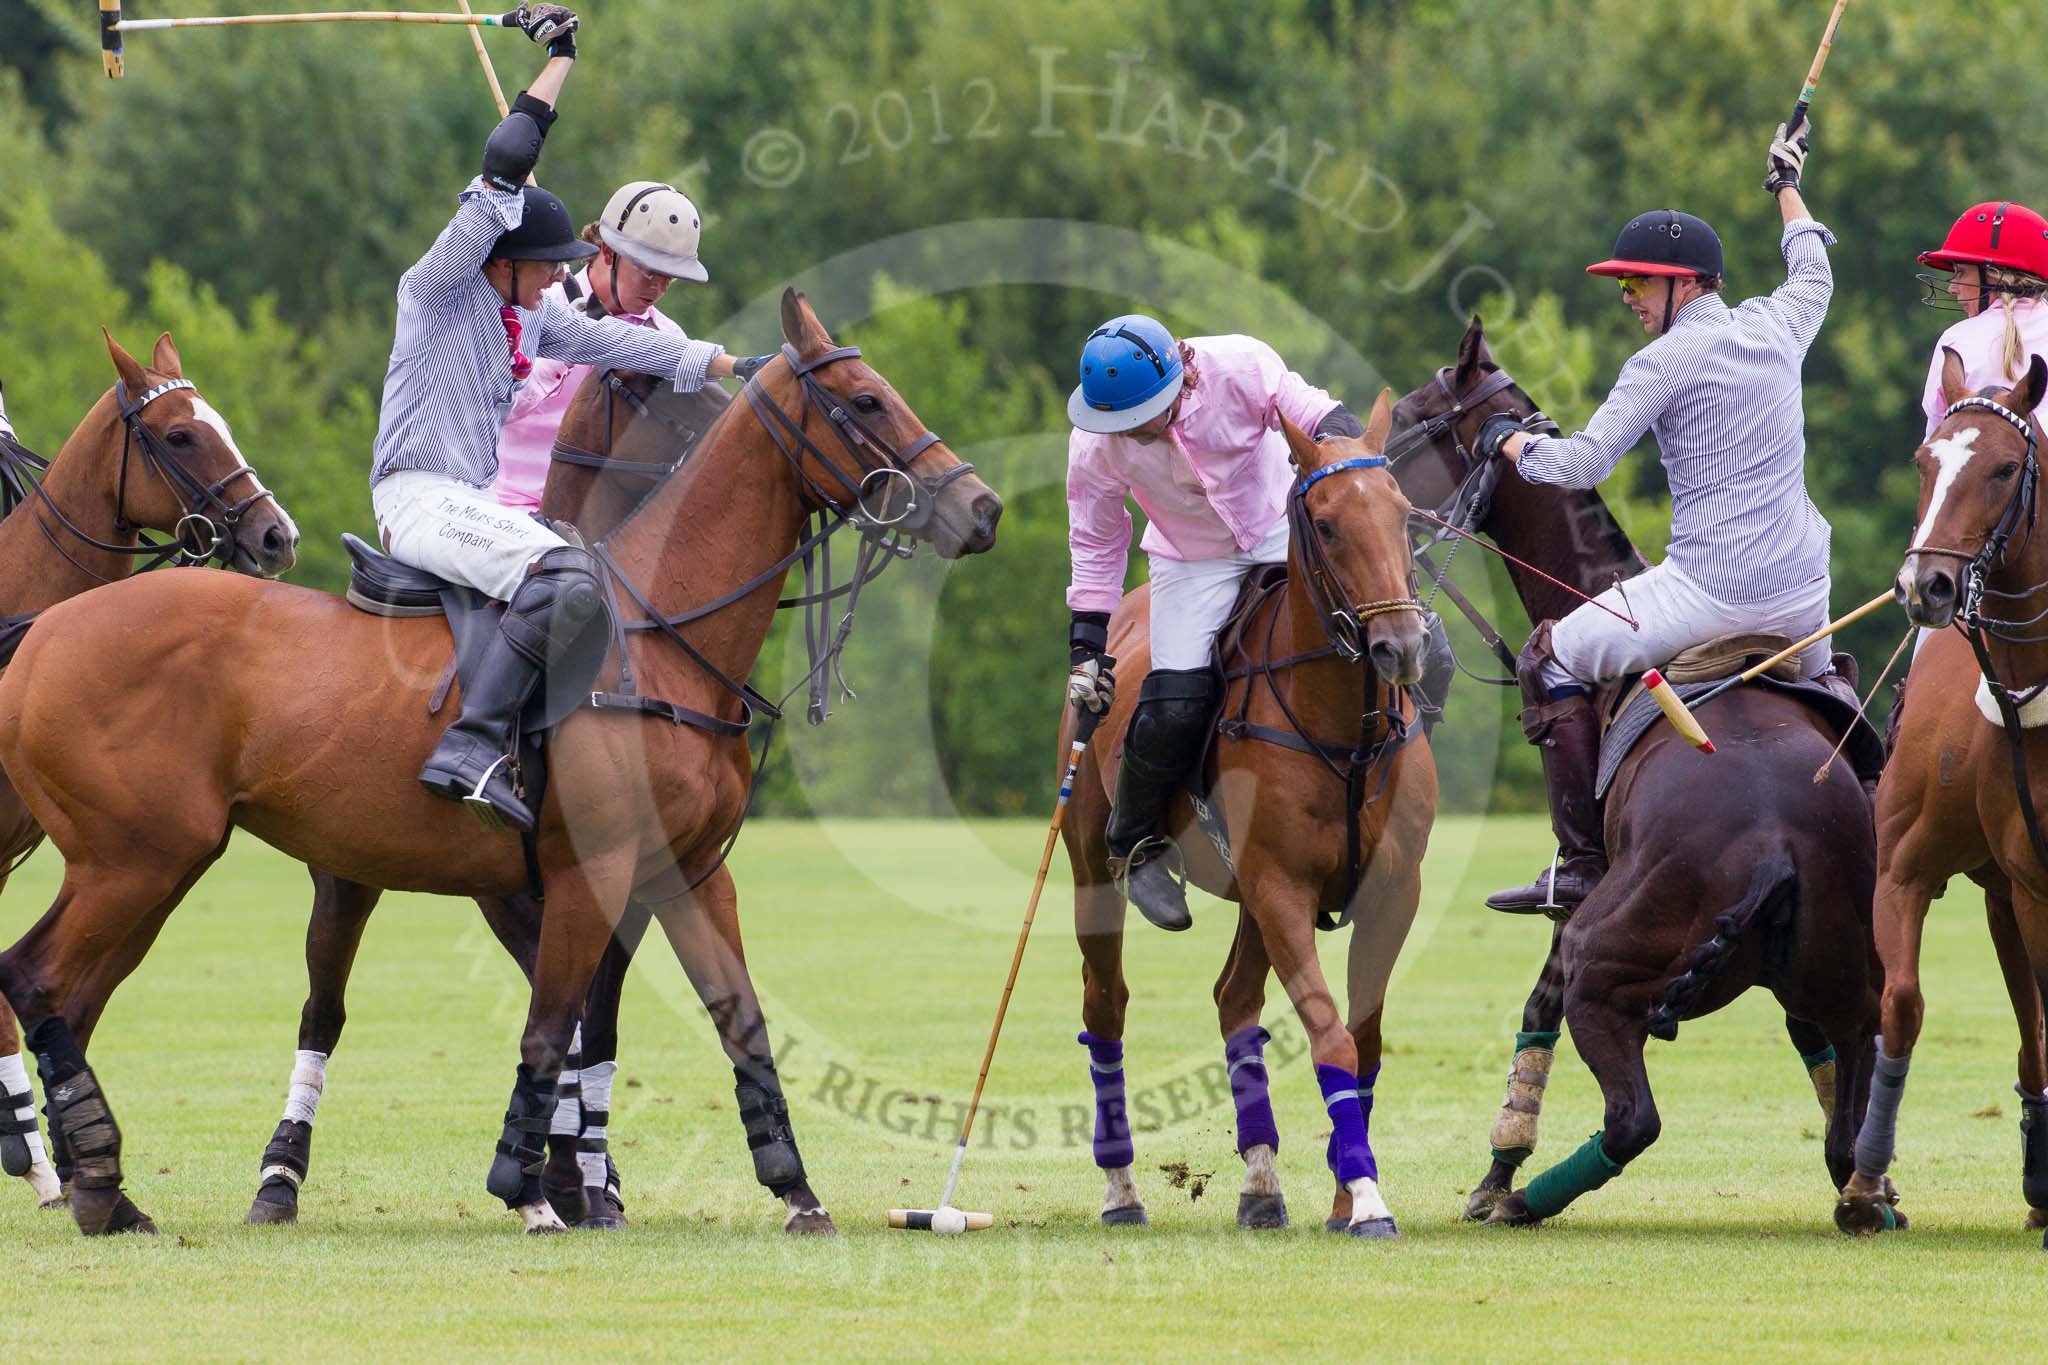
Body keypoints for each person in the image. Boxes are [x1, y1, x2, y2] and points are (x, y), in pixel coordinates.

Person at [366, 5, 764, 831]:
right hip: (421, 497)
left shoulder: (534, 316)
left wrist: (739, 366)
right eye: (547, 269)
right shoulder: (437, 292)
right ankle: (472, 748)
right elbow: (503, 164)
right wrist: (561, 60)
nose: (557, 282)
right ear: (502, 260)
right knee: (568, 576)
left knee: (588, 583)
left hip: (462, 505)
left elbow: (642, 349)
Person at [1477, 119, 1838, 916]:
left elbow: (1580, 467)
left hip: (1707, 594)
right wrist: (1786, 183)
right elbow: (1812, 265)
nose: (1629, 299)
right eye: (1625, 286)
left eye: (1637, 284)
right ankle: (1870, 810)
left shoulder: (1663, 359)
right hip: (1805, 598)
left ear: (1685, 284)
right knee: (1835, 710)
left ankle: (1577, 865)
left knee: (1551, 657)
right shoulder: (1782, 325)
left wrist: (1509, 445)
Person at [1062, 314, 1373, 932]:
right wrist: (1087, 649)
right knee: (1172, 703)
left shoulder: (1240, 365)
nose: (1142, 430)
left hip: (1283, 534)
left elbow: (1318, 416)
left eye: (1151, 412)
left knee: (1399, 635)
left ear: (1180, 372)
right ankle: (1135, 846)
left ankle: (1395, 791)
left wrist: (1351, 472)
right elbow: (1096, 542)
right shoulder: (1095, 442)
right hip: (1191, 562)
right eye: (1126, 422)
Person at [493, 179, 734, 511]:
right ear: (607, 252)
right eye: (650, 272)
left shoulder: (667, 336)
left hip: (607, 525)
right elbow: (498, 410)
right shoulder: (533, 304)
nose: (659, 288)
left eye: (670, 277)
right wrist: (570, 348)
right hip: (511, 505)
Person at [1914, 200, 2048, 439]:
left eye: (1961, 272)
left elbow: (1936, 440)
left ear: (1995, 276)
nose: (1953, 287)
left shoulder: (1958, 339)